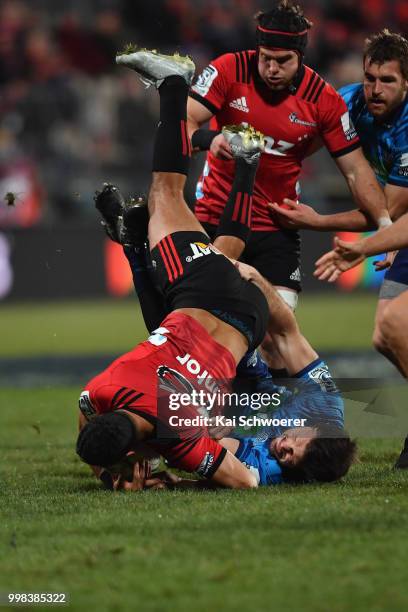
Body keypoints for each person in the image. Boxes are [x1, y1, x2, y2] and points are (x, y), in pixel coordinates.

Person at [76, 48, 355, 491]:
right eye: (295, 442)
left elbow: (224, 458)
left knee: (177, 301)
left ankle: (136, 241)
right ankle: (176, 92)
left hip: (220, 360)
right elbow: (288, 336)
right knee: (173, 205)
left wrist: (152, 474)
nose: (282, 446)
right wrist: (259, 281)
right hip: (238, 332)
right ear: (319, 428)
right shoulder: (324, 404)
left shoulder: (269, 461)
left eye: (286, 455)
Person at [186, 0, 390, 375]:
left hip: (277, 227)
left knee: (277, 339)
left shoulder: (323, 99)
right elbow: (184, 121)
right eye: (265, 58)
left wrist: (386, 228)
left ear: (300, 57)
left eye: (282, 60)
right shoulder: (228, 70)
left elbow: (356, 171)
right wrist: (209, 139)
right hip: (215, 217)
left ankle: (278, 428)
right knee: (205, 333)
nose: (272, 68)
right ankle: (212, 426)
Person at [273, 30, 408, 467]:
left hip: (398, 223)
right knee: (386, 336)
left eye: (387, 80)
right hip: (400, 229)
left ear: (407, 83)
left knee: (392, 324)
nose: (375, 89)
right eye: (370, 77)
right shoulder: (349, 102)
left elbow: (385, 210)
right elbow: (300, 138)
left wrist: (321, 223)